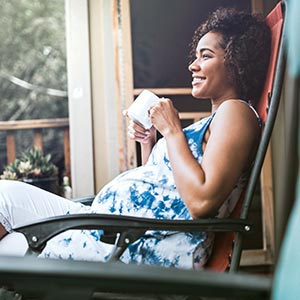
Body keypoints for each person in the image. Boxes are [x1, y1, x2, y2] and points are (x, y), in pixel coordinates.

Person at [0, 8, 271, 270]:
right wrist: (150, 143)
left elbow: (201, 203)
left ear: (236, 62)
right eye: (195, 56)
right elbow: (163, 190)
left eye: (206, 56)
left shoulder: (236, 113)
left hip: (138, 245)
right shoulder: (215, 120)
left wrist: (173, 131)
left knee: (10, 248)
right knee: (4, 196)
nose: (193, 64)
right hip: (116, 229)